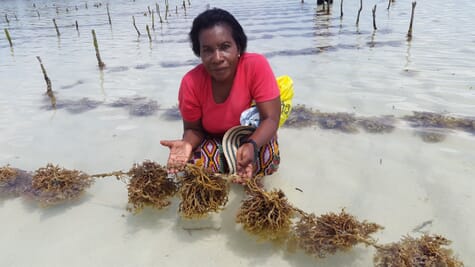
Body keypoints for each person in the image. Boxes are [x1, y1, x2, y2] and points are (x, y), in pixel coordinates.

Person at [160, 8, 281, 184]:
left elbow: (270, 118)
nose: (217, 58)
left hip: (249, 138)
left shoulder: (256, 65)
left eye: (225, 47)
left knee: (267, 152)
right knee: (193, 163)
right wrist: (186, 144)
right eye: (207, 50)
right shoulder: (191, 82)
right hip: (214, 142)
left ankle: (252, 180)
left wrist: (251, 145)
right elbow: (194, 129)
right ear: (199, 52)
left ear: (238, 46)